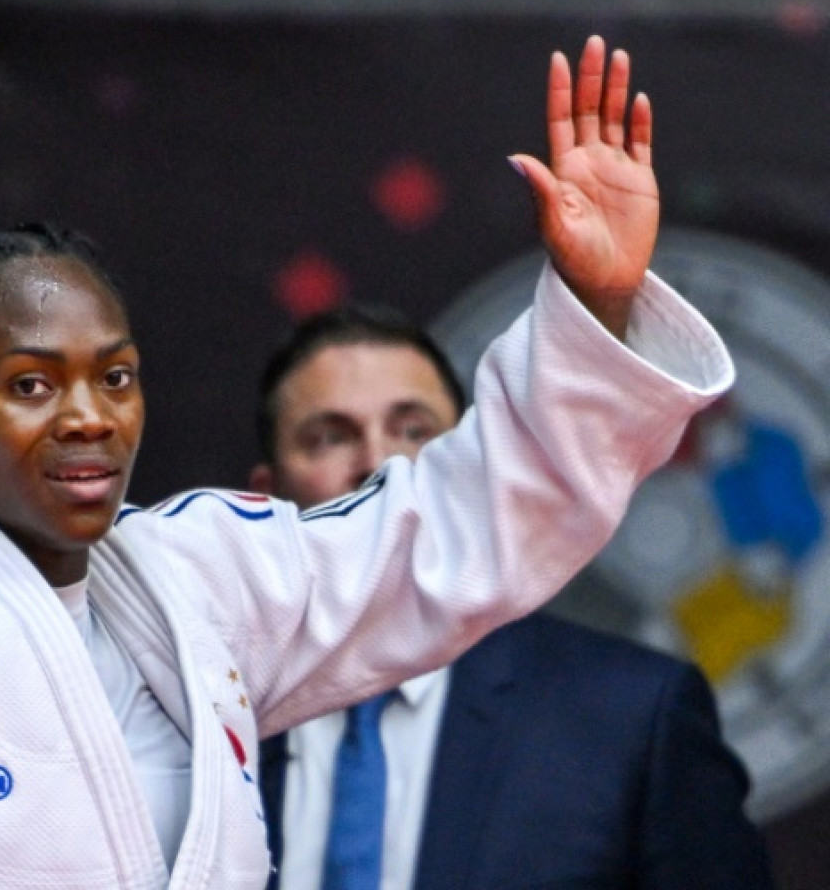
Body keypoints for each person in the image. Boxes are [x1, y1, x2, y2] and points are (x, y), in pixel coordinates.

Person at [0, 37, 734, 887]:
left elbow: (466, 535)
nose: (89, 417)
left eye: (114, 376)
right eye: (29, 384)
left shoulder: (202, 579)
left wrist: (594, 300)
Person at [251, 305, 776, 889]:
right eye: (328, 438)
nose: (378, 463)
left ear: (471, 468)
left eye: (414, 430)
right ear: (263, 500)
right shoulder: (195, 711)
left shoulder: (632, 716)